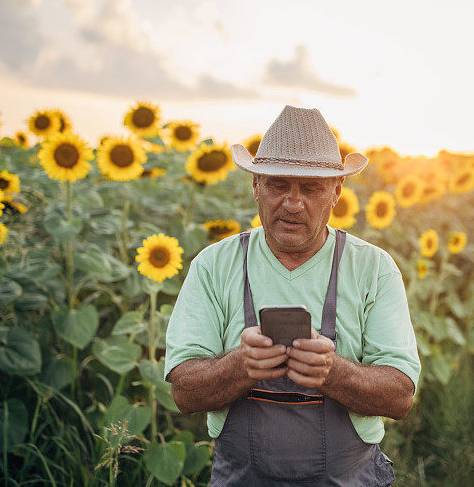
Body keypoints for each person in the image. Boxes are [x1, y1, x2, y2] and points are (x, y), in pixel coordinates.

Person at [164, 105, 421, 486]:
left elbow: (399, 396)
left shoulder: (373, 268)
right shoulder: (214, 266)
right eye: (278, 184)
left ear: (336, 191)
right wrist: (241, 365)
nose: (293, 202)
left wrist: (331, 372)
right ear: (256, 186)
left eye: (311, 187)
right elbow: (184, 393)